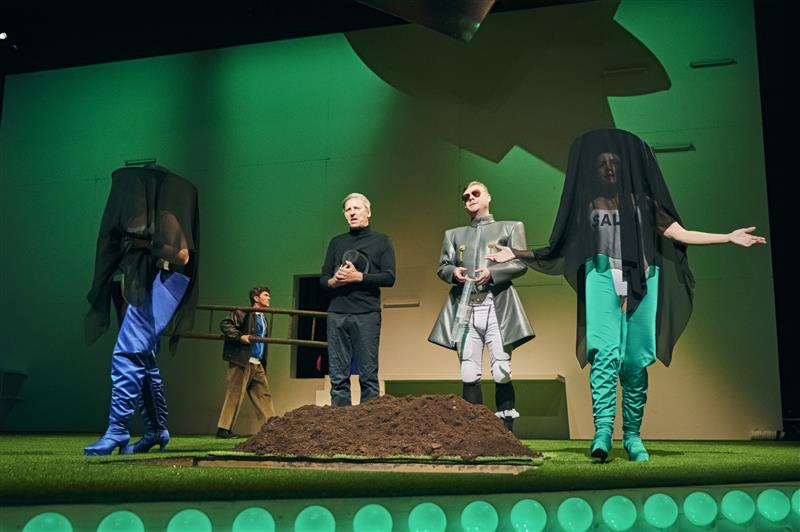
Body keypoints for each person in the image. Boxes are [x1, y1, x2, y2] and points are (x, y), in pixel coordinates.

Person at [488, 128, 766, 460]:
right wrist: (516, 253)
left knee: (635, 360)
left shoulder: (644, 204)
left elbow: (680, 233)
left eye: (614, 163)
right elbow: (559, 246)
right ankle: (603, 432)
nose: (609, 168)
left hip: (643, 277)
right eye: (602, 163)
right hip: (601, 274)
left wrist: (728, 237)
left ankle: (633, 436)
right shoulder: (587, 206)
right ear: (594, 171)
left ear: (624, 168)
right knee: (604, 354)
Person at [84, 164, 199, 456]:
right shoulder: (132, 217)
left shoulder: (165, 215)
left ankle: (117, 430)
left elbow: (183, 256)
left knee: (127, 352)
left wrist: (146, 244)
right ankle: (156, 429)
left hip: (163, 283)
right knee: (144, 358)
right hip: (136, 285)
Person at [429, 181, 534, 430]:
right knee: (468, 370)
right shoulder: (453, 235)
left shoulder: (510, 227)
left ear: (488, 196)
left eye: (475, 193)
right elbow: (443, 266)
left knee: (501, 369)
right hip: (465, 306)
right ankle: (473, 431)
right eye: (465, 196)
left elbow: (521, 263)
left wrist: (493, 273)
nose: (470, 198)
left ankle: (506, 430)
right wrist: (454, 273)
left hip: (496, 305)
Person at [320, 193, 396, 406]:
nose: (352, 213)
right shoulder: (336, 242)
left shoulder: (381, 241)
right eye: (348, 210)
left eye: (357, 208)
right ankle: (340, 421)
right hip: (337, 312)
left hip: (367, 313)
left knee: (368, 375)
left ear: (368, 212)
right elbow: (323, 279)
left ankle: (370, 423)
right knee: (338, 376)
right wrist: (334, 281)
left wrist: (359, 277)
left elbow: (389, 277)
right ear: (345, 215)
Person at [215, 286, 276, 438]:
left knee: (264, 395)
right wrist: (240, 336)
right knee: (235, 394)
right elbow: (225, 324)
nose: (268, 298)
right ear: (256, 298)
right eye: (265, 295)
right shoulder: (243, 312)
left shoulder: (263, 318)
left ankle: (272, 429)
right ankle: (223, 429)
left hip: (257, 362)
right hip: (242, 360)